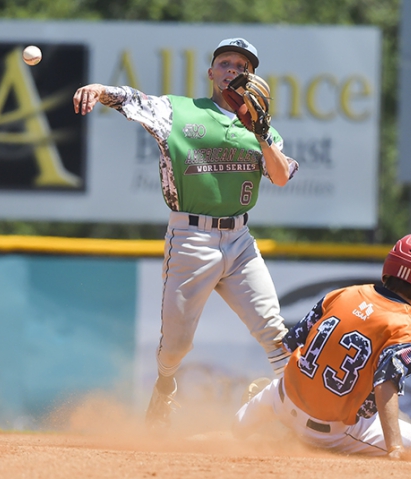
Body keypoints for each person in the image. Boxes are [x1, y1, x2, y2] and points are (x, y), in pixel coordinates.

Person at [73, 38, 299, 429]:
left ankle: (298, 410)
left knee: (274, 332)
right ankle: (164, 390)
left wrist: (260, 131)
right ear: (211, 73)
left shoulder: (263, 130)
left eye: (242, 65)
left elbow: (280, 176)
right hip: (191, 237)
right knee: (176, 345)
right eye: (225, 62)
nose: (233, 69)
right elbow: (134, 99)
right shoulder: (180, 111)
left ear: (252, 78)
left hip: (241, 239)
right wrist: (100, 90)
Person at [232, 234, 411, 460]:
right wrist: (395, 448)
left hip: (279, 397)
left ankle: (271, 417)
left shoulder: (343, 293)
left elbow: (289, 344)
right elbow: (385, 385)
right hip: (330, 433)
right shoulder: (410, 327)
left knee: (232, 434)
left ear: (389, 266)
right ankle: (302, 440)